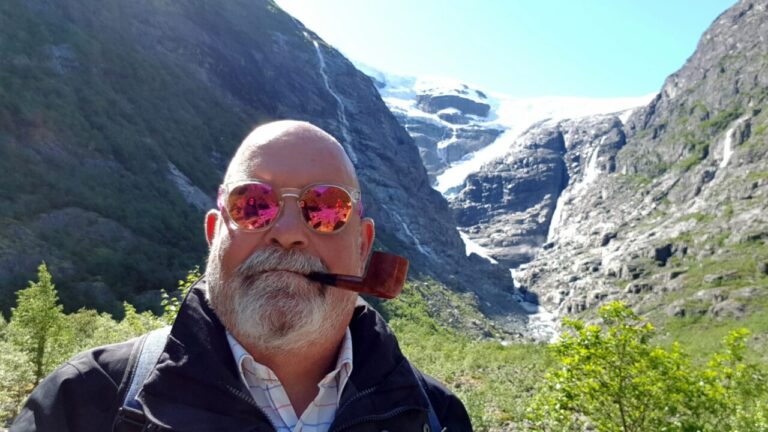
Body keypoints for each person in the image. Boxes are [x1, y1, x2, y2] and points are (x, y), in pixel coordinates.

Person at [12, 120, 473, 431]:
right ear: (215, 233)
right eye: (254, 205)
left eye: (326, 208)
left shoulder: (438, 416)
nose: (288, 233)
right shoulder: (85, 399)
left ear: (363, 246)